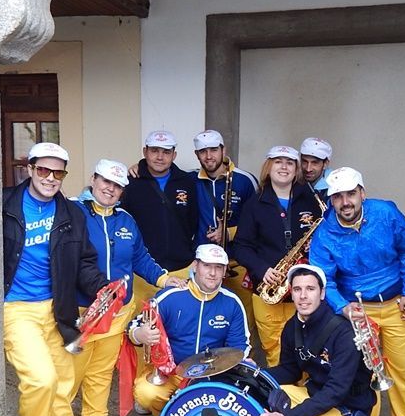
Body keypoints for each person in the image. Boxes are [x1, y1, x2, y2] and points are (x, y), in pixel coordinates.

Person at [3, 142, 109, 416]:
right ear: (30, 169)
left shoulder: (72, 213)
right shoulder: (4, 205)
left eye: (58, 173)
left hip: (57, 308)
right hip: (16, 308)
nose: (50, 178)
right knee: (41, 379)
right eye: (43, 170)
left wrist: (102, 287)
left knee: (62, 383)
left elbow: (84, 262)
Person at [69, 159, 187, 416]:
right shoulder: (73, 212)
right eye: (106, 182)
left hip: (117, 311)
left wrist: (164, 279)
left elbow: (140, 258)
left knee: (101, 371)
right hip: (82, 310)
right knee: (70, 373)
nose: (110, 189)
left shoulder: (126, 220)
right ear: (93, 180)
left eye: (117, 186)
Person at [309, 167, 405, 416]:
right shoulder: (324, 234)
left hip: (396, 303)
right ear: (331, 200)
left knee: (403, 366)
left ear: (362, 193)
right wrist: (342, 306)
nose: (345, 202)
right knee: (366, 372)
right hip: (358, 310)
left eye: (351, 194)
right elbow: (325, 278)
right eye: (338, 197)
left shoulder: (386, 213)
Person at [259, 264, 376, 416]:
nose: (303, 296)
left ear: (322, 293)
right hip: (317, 394)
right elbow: (290, 371)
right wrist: (256, 373)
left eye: (310, 289)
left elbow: (336, 391)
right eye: (297, 289)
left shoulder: (344, 332)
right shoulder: (292, 326)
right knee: (264, 391)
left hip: (348, 406)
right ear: (290, 293)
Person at [127, 244, 251, 416]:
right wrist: (140, 334)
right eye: (207, 266)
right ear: (195, 266)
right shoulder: (171, 296)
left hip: (212, 375)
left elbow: (239, 346)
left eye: (218, 267)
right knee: (146, 393)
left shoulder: (232, 302)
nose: (212, 273)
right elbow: (133, 327)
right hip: (171, 372)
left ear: (225, 271)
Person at [231, 145, 325, 366]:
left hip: (302, 291)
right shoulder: (254, 204)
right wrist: (262, 269)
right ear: (268, 166)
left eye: (290, 162)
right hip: (268, 289)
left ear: (296, 169)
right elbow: (241, 246)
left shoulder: (312, 201)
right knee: (275, 354)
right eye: (278, 161)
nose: (284, 167)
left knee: (309, 352)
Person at [191, 129, 258, 332]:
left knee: (243, 320)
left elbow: (259, 222)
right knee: (204, 320)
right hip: (202, 266)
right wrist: (139, 167)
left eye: (213, 150)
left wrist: (229, 233)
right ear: (196, 154)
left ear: (223, 150)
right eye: (203, 151)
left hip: (236, 264)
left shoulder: (245, 180)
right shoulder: (189, 179)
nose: (208, 156)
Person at [121, 130, 198, 299]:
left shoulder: (187, 182)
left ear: (174, 155)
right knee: (143, 316)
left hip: (183, 268)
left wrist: (196, 258)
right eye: (154, 151)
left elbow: (197, 222)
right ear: (145, 152)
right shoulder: (129, 183)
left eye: (166, 152)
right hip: (142, 272)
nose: (160, 157)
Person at [300, 137, 333, 202]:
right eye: (305, 161)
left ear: (325, 164)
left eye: (314, 163)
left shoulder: (335, 188)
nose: (308, 169)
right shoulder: (291, 181)